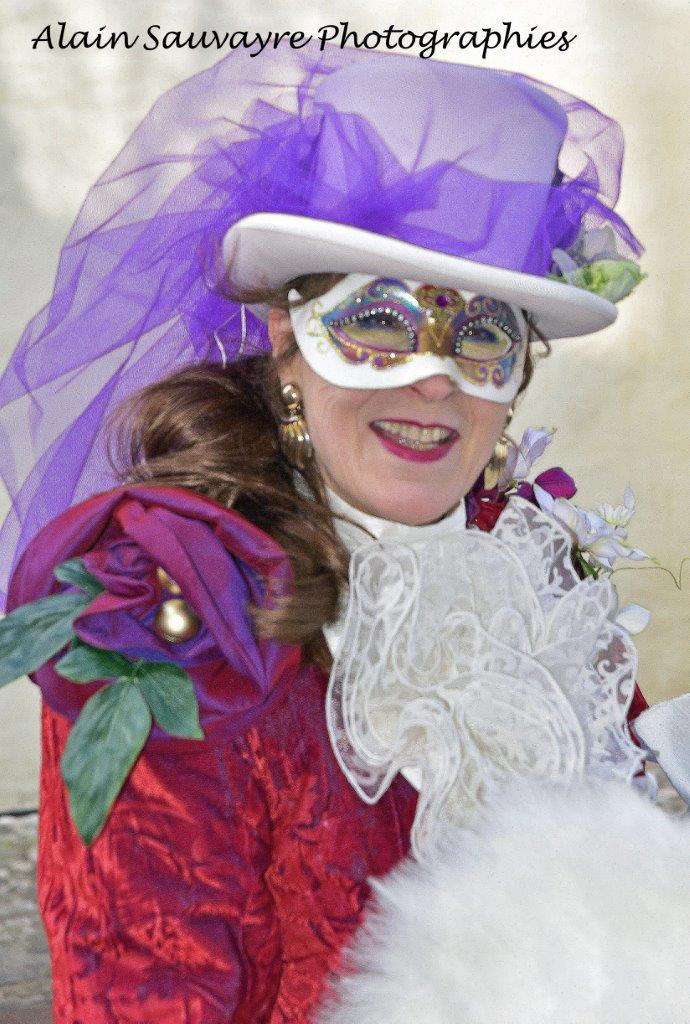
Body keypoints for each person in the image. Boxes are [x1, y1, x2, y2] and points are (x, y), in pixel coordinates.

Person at [0, 41, 684, 1024]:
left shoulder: (532, 570)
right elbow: (146, 991)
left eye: (484, 332)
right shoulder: (177, 607)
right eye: (379, 320)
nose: (437, 379)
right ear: (286, 338)